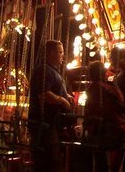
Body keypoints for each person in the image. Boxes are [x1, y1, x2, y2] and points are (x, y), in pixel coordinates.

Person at [28, 40, 74, 172]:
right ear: (51, 53)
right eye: (60, 52)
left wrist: (67, 96)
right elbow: (44, 94)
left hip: (53, 124)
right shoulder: (44, 70)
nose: (63, 56)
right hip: (45, 124)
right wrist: (62, 101)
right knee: (48, 160)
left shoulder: (53, 71)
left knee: (54, 159)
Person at [84, 61, 125, 172]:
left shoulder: (94, 88)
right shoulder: (112, 87)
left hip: (108, 132)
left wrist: (85, 126)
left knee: (85, 144)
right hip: (121, 129)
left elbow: (94, 114)